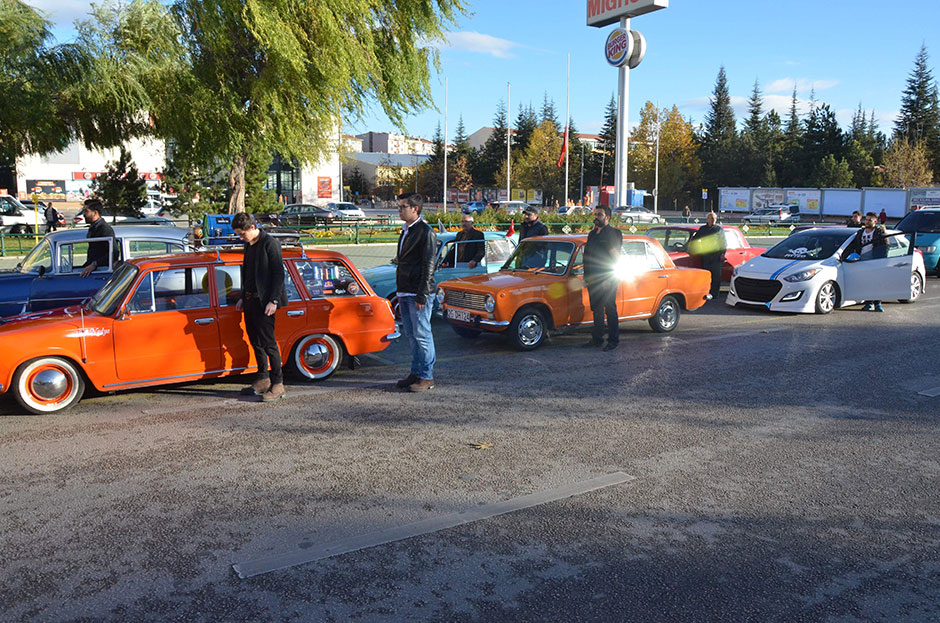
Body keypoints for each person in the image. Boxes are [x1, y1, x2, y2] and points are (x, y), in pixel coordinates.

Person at [233, 212, 289, 402]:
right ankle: (263, 378)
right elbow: (247, 273)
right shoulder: (249, 245)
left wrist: (273, 301)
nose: (241, 238)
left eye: (242, 234)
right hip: (250, 301)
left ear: (251, 228)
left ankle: (278, 384)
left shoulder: (270, 244)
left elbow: (278, 275)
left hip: (266, 302)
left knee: (268, 343)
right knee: (255, 341)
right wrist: (242, 296)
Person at [395, 192, 437, 392]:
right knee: (411, 335)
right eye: (400, 206)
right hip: (405, 290)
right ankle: (416, 372)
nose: (400, 209)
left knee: (422, 334)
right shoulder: (406, 230)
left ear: (415, 209)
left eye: (403, 206)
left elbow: (429, 265)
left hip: (418, 292)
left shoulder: (425, 231)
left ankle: (427, 377)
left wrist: (422, 294)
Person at [583, 206, 623, 351]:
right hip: (593, 278)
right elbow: (587, 256)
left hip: (607, 278)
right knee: (597, 309)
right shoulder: (592, 234)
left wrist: (609, 278)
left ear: (607, 217)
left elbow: (615, 258)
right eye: (596, 214)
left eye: (599, 214)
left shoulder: (612, 234)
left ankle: (613, 340)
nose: (596, 217)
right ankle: (597, 339)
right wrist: (586, 277)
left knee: (610, 308)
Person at [851, 212, 889, 312]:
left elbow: (885, 246)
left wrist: (882, 259)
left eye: (869, 220)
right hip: (862, 261)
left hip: (875, 261)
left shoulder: (879, 233)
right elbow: (855, 245)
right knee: (866, 282)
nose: (867, 222)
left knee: (876, 282)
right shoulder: (860, 233)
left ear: (875, 222)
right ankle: (868, 303)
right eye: (866, 219)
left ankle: (878, 303)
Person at [689, 211, 726, 300]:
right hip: (706, 255)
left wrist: (723, 254)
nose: (713, 220)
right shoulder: (703, 229)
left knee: (716, 276)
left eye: (714, 218)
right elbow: (695, 239)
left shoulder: (719, 229)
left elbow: (723, 242)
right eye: (711, 218)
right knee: (706, 275)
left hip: (716, 256)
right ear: (707, 219)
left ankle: (715, 294)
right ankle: (706, 293)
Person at [79, 199, 117, 278]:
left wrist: (95, 264)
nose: (83, 214)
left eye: (86, 211)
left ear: (95, 213)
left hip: (102, 273)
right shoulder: (94, 228)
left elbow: (114, 253)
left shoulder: (104, 229)